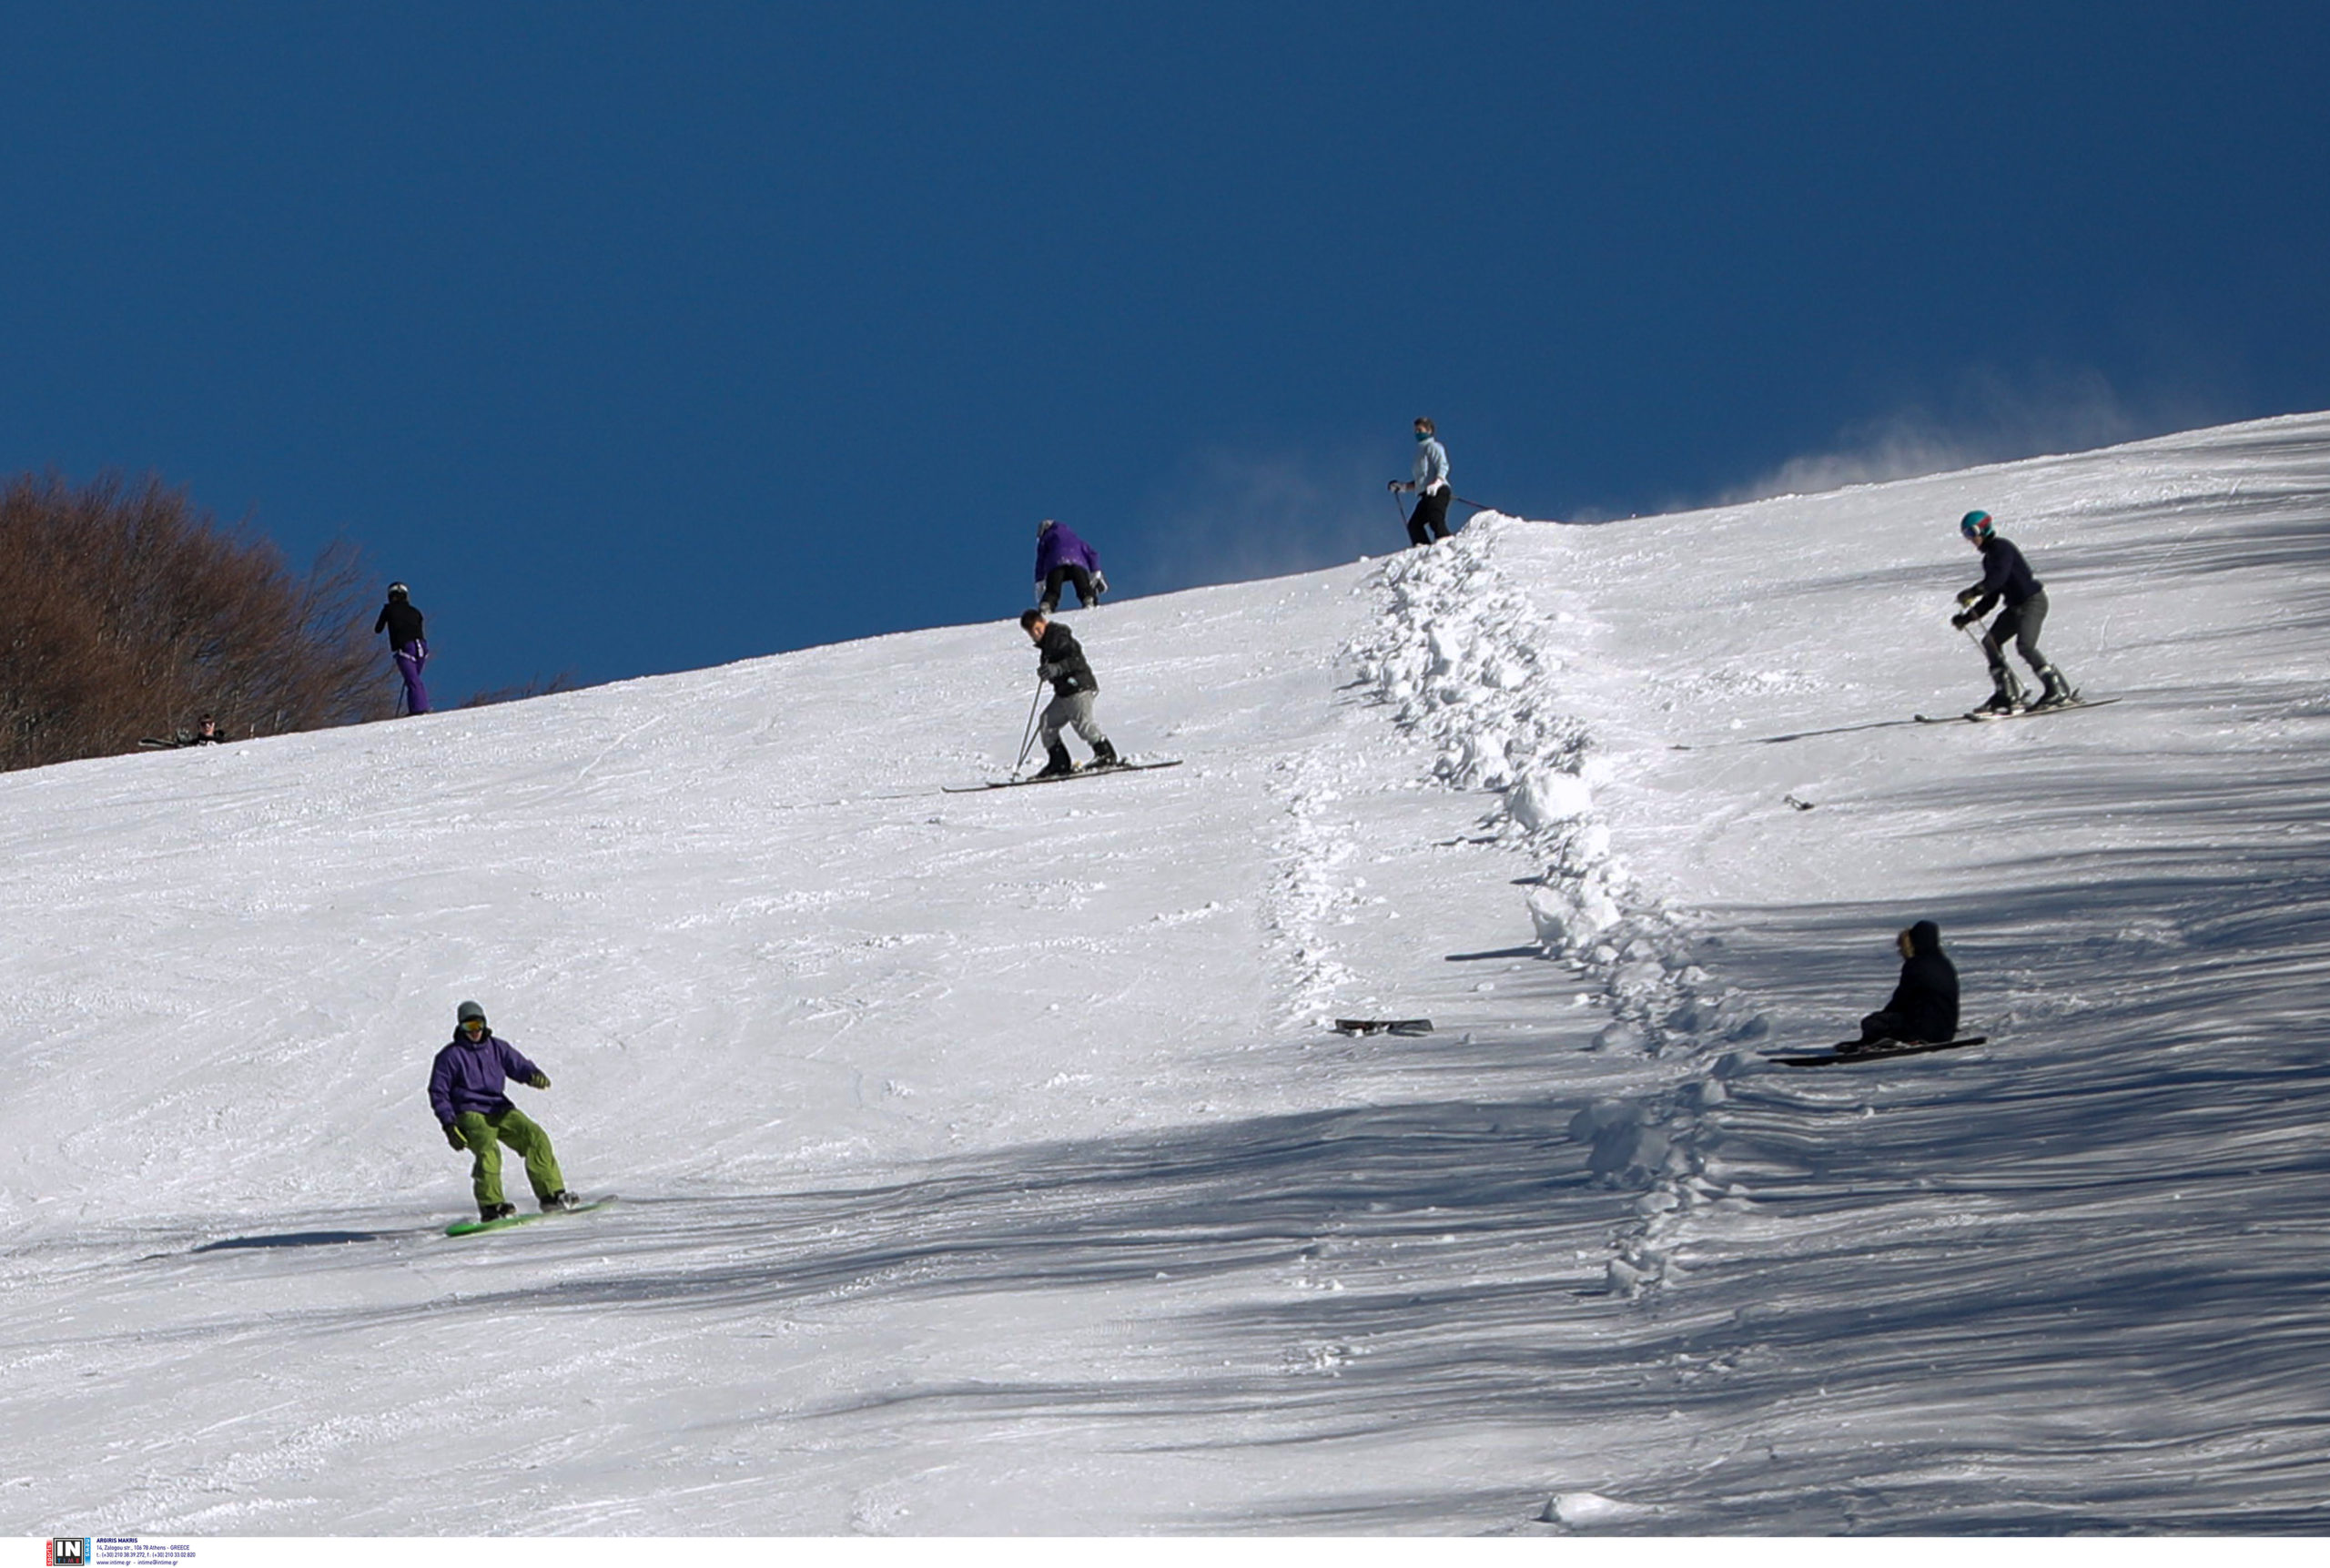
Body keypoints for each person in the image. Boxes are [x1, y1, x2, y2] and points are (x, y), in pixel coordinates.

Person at [427, 1000, 579, 1220]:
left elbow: (518, 1064)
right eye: (469, 1027)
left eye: (478, 1025)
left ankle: (551, 1196)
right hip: (470, 1112)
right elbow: (438, 1092)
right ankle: (491, 1206)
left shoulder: (497, 1048)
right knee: (488, 1151)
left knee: (535, 1136)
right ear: (461, 1027)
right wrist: (449, 1125)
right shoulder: (450, 1056)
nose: (475, 1031)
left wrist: (531, 1075)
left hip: (499, 1107)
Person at [1950, 511, 2074, 713]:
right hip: (2015, 607)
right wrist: (1967, 618)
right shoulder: (1989, 559)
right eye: (1966, 535)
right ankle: (2006, 693)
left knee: (2025, 645)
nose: (1971, 539)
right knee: (1991, 643)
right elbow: (1992, 597)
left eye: (1972, 532)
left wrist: (1974, 590)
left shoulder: (2002, 548)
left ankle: (2057, 689)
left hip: (2032, 602)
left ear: (1985, 528)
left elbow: (1997, 580)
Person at [1020, 608, 1118, 778]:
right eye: (1032, 633)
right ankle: (1059, 763)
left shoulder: (1059, 636)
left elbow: (1075, 660)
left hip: (1078, 685)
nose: (1036, 634)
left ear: (1043, 622)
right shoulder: (1047, 647)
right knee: (1046, 722)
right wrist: (1047, 672)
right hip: (1065, 691)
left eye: (1037, 628)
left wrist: (1056, 669)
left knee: (1082, 723)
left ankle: (1106, 755)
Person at [1849, 920, 1960, 1048]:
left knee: (1871, 1023)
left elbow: (1902, 999)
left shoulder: (1916, 965)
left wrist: (1882, 1018)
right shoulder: (1945, 964)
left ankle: (1888, 1040)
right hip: (1946, 1031)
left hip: (1922, 1030)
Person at [1388, 416, 1454, 547]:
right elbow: (1421, 480)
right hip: (1426, 495)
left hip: (1438, 491)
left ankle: (1447, 545)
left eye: (1420, 429)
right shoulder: (1420, 452)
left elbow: (1443, 465)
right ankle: (1422, 550)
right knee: (1414, 525)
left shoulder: (1433, 446)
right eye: (1416, 431)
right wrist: (1402, 487)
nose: (1417, 433)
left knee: (1435, 519)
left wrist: (1437, 483)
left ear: (1429, 430)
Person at [374, 582, 431, 716]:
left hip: (405, 648)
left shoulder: (388, 610)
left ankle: (419, 709)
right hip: (422, 648)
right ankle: (417, 707)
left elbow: (378, 629)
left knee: (412, 681)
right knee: (414, 680)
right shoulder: (416, 612)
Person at [1033, 519, 1108, 614]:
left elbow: (1041, 559)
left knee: (1053, 589)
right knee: (1083, 586)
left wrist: (1040, 580)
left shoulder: (1046, 539)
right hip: (1077, 564)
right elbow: (1092, 554)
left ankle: (1046, 604)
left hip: (1055, 565)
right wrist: (1095, 570)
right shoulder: (1075, 539)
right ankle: (1089, 599)